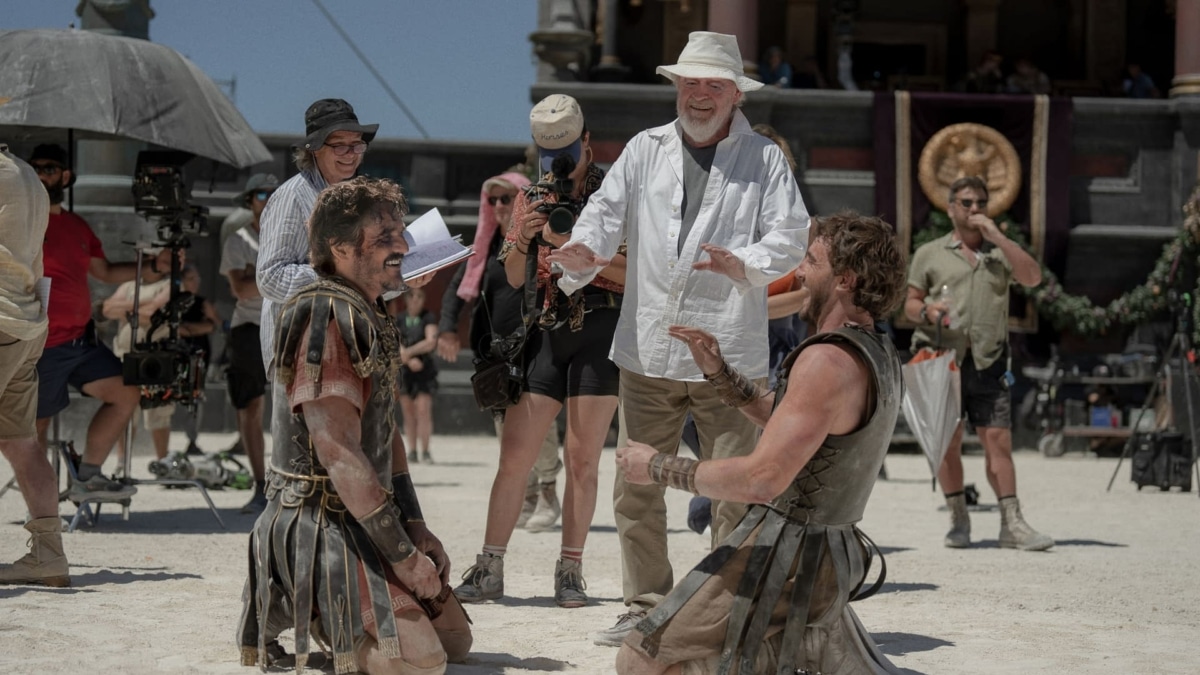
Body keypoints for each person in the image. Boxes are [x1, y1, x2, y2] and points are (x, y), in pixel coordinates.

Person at [547, 31, 809, 644]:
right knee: (637, 484)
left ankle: (725, 609)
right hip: (648, 348)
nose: (698, 96)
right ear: (676, 87)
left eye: (713, 84)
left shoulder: (763, 159)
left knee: (734, 491)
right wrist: (584, 253)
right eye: (689, 83)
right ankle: (645, 604)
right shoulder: (644, 149)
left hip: (727, 358)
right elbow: (604, 216)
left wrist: (743, 263)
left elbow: (792, 235)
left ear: (735, 93)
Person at [613, 211, 907, 675]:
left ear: (846, 279)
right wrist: (720, 374)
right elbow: (795, 423)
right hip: (832, 554)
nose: (800, 273)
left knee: (641, 659)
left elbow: (761, 480)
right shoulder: (877, 351)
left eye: (811, 261)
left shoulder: (827, 361)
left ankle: (798, 648)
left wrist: (654, 466)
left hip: (791, 558)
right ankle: (800, 642)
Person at [237, 176, 471, 674]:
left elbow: (385, 432)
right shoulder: (325, 313)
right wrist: (405, 560)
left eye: (400, 233)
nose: (403, 247)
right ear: (340, 248)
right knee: (422, 662)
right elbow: (338, 452)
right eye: (384, 238)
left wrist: (415, 527)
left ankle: (357, 613)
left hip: (364, 512)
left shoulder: (371, 308)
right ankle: (325, 613)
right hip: (320, 523)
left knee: (456, 642)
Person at [453, 94, 624, 609]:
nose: (560, 164)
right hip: (546, 333)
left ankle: (570, 570)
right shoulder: (533, 196)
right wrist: (526, 241)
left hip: (600, 329)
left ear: (587, 141)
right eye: (549, 155)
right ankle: (489, 566)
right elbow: (507, 275)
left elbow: (637, 273)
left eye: (567, 149)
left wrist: (588, 262)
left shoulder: (616, 190)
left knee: (583, 458)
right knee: (515, 457)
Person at [905, 175, 1053, 551]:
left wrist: (999, 236)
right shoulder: (930, 253)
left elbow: (1033, 278)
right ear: (951, 207)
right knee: (948, 442)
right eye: (967, 203)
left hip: (988, 360)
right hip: (942, 360)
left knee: (999, 441)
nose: (974, 210)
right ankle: (959, 517)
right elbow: (908, 303)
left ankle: (1012, 524)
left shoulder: (1000, 253)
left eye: (981, 204)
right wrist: (927, 310)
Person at [30, 143, 171, 501]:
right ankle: (41, 509)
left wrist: (153, 267)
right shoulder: (19, 219)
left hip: (80, 341)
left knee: (127, 393)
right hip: (40, 343)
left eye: (47, 168)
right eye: (33, 168)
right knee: (35, 428)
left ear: (65, 176)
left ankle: (86, 478)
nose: (38, 174)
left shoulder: (78, 226)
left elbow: (105, 271)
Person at [436, 171, 564, 531]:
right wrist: (447, 329)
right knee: (506, 429)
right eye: (492, 200)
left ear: (523, 200)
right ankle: (526, 495)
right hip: (495, 353)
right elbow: (457, 289)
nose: (498, 207)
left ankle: (549, 494)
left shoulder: (542, 242)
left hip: (538, 345)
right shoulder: (484, 249)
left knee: (538, 426)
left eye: (506, 198)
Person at [0, 144, 70, 588]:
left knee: (22, 443)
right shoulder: (26, 175)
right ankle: (48, 556)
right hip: (25, 320)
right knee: (21, 442)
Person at [219, 173, 277, 513]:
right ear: (249, 200)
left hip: (286, 324)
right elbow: (239, 290)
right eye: (261, 193)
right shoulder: (238, 239)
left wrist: (256, 275)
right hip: (250, 328)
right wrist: (277, 276)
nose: (267, 198)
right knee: (251, 408)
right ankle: (259, 485)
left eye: (273, 193)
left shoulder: (294, 236)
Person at [178, 263, 221, 454]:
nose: (196, 283)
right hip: (178, 357)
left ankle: (192, 440)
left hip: (199, 359)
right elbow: (178, 329)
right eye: (191, 279)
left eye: (198, 279)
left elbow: (215, 324)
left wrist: (200, 327)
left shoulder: (202, 303)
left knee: (195, 400)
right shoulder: (174, 301)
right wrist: (201, 327)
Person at [395, 287, 439, 464]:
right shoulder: (399, 319)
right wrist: (406, 359)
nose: (415, 300)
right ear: (405, 299)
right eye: (411, 296)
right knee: (408, 412)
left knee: (423, 410)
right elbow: (394, 343)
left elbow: (430, 342)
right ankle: (412, 450)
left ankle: (426, 450)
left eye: (419, 296)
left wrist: (409, 353)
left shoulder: (428, 317)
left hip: (424, 369)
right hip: (405, 371)